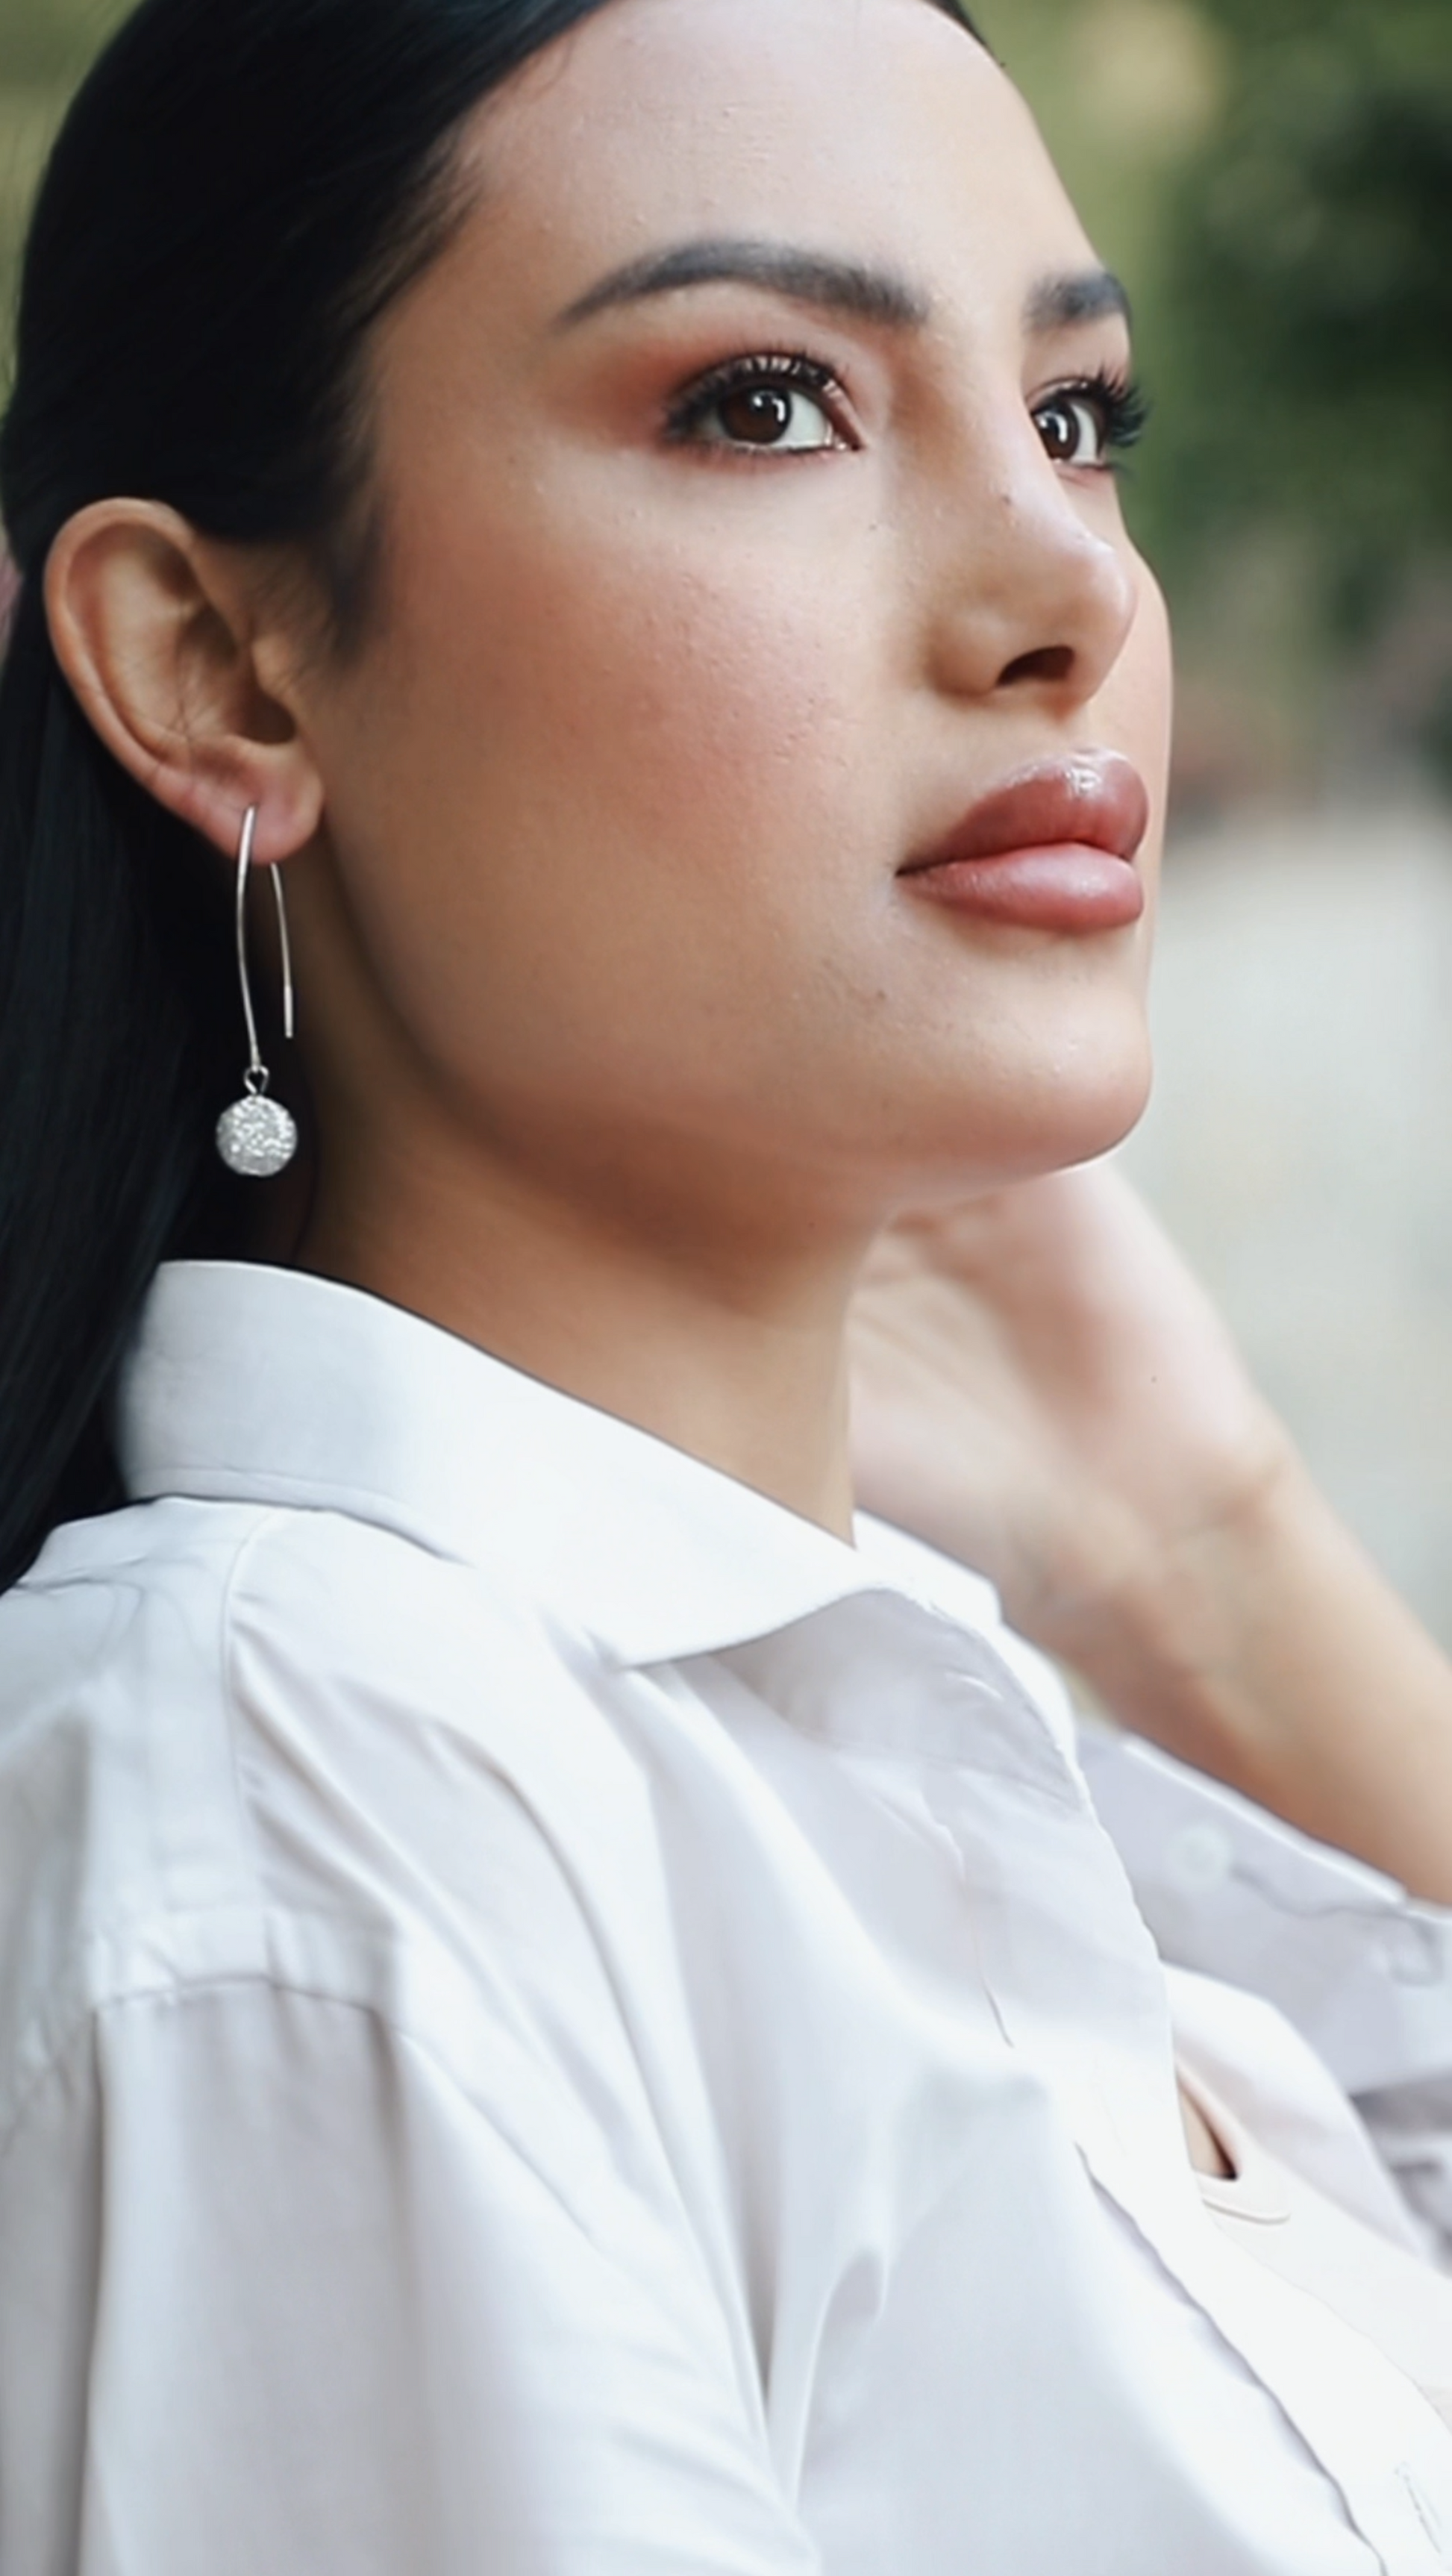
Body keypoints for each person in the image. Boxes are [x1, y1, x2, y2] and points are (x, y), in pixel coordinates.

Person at [1, 0, 1451, 2568]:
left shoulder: (909, 1759)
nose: (1068, 581)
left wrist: (1204, 1548)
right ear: (217, 663)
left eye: (1078, 414)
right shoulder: (315, 1805)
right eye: (766, 402)